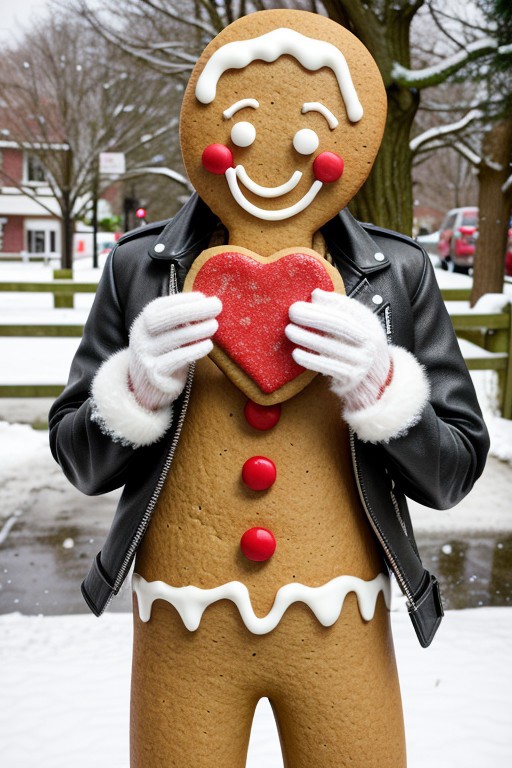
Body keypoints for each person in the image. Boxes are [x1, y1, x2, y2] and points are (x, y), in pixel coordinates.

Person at [49, 10, 489, 767]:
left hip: (340, 617)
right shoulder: (139, 268)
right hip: (182, 621)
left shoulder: (397, 275)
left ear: (348, 151)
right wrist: (136, 389)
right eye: (243, 135)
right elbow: (80, 461)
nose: (274, 160)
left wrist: (383, 388)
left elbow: (454, 470)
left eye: (311, 141)